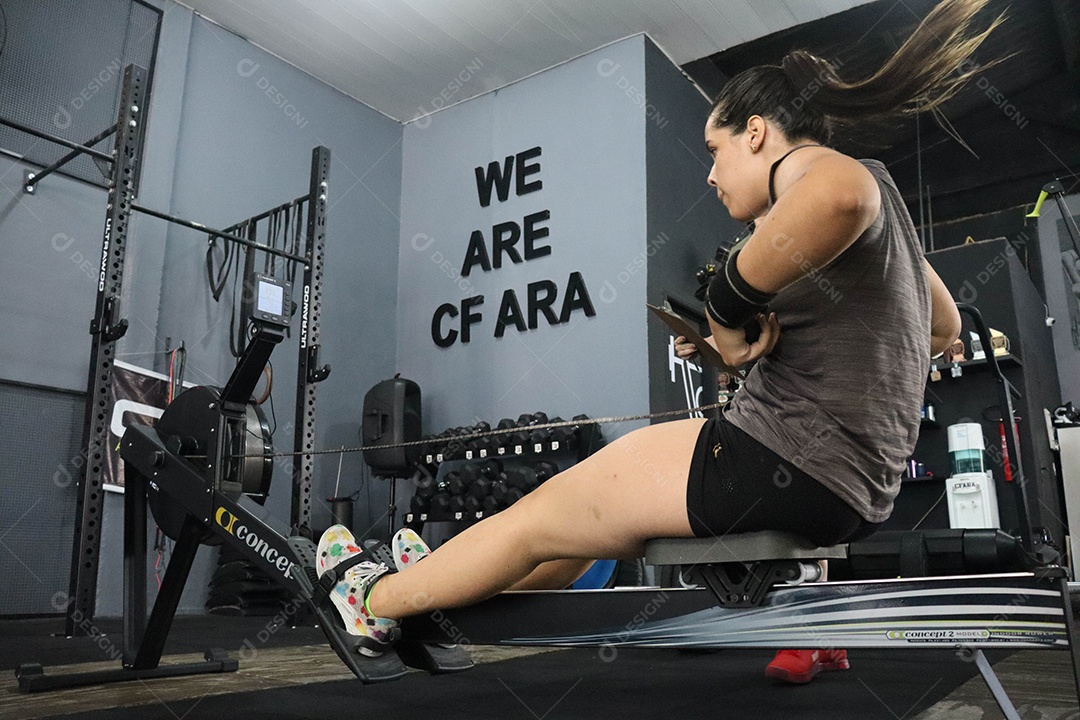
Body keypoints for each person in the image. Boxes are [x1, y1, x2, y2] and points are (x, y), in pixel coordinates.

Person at [316, 0, 994, 673]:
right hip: (855, 494)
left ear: (756, 133)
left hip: (779, 463)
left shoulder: (821, 177)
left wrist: (727, 306)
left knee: (533, 518)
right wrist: (748, 348)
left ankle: (373, 598)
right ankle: (431, 599)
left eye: (714, 150)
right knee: (571, 535)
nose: (709, 174)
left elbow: (841, 197)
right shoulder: (884, 209)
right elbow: (943, 326)